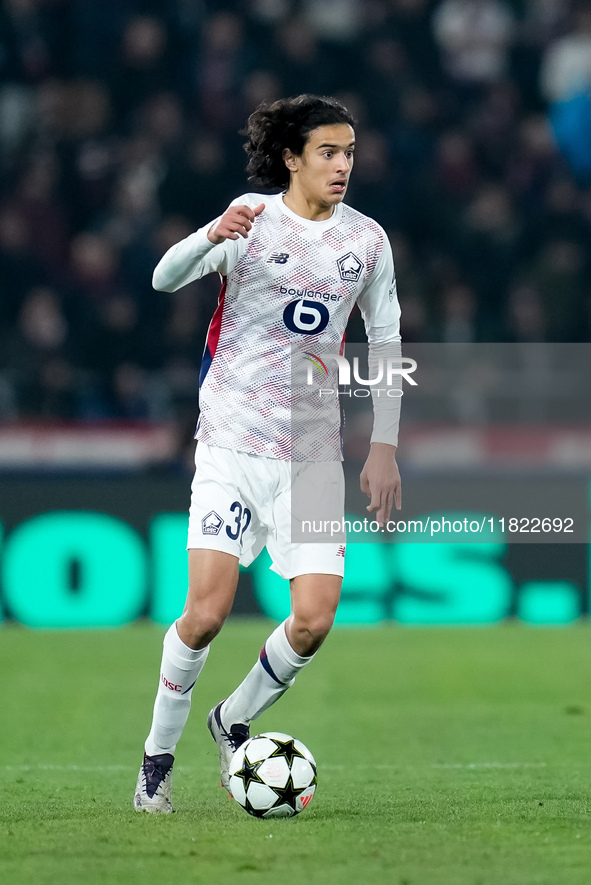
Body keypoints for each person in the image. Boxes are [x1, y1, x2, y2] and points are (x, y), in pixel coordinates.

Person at [133, 94, 403, 813]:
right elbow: (163, 278)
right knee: (205, 615)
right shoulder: (248, 221)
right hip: (230, 448)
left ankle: (232, 717)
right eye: (327, 152)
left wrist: (383, 444)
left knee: (314, 618)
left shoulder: (367, 242)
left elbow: (385, 344)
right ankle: (158, 757)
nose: (342, 165)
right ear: (291, 157)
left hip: (312, 460)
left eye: (348, 152)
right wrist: (207, 235)